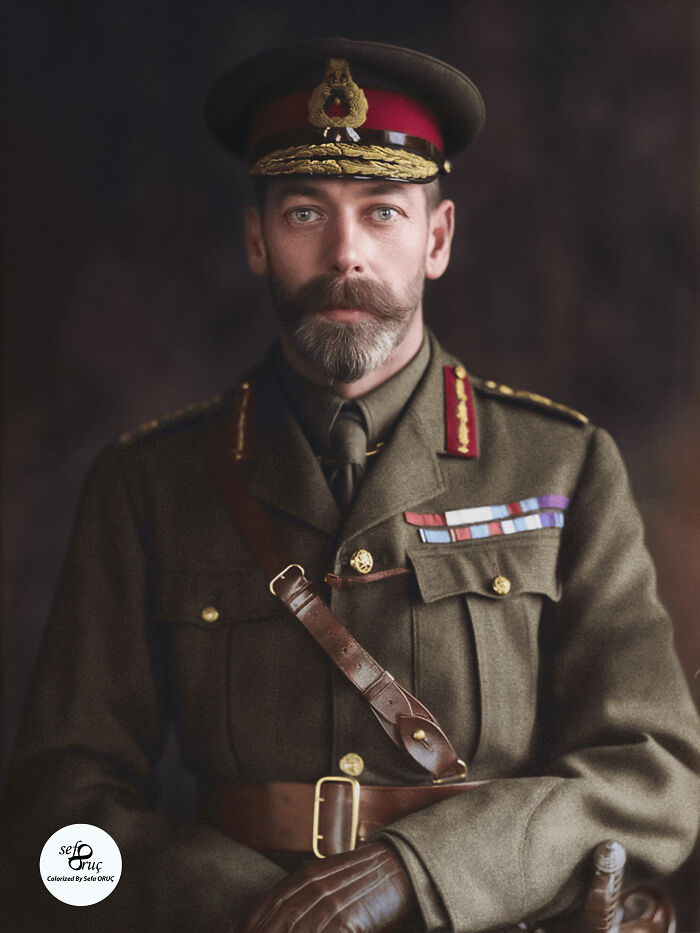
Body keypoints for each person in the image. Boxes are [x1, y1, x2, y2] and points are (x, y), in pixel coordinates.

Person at [2, 37, 699, 933]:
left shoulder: (563, 466)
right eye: (305, 212)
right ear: (257, 240)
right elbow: (55, 818)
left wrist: (418, 873)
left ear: (436, 239)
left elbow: (653, 776)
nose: (345, 253)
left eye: (382, 213)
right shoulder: (147, 486)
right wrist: (250, 908)